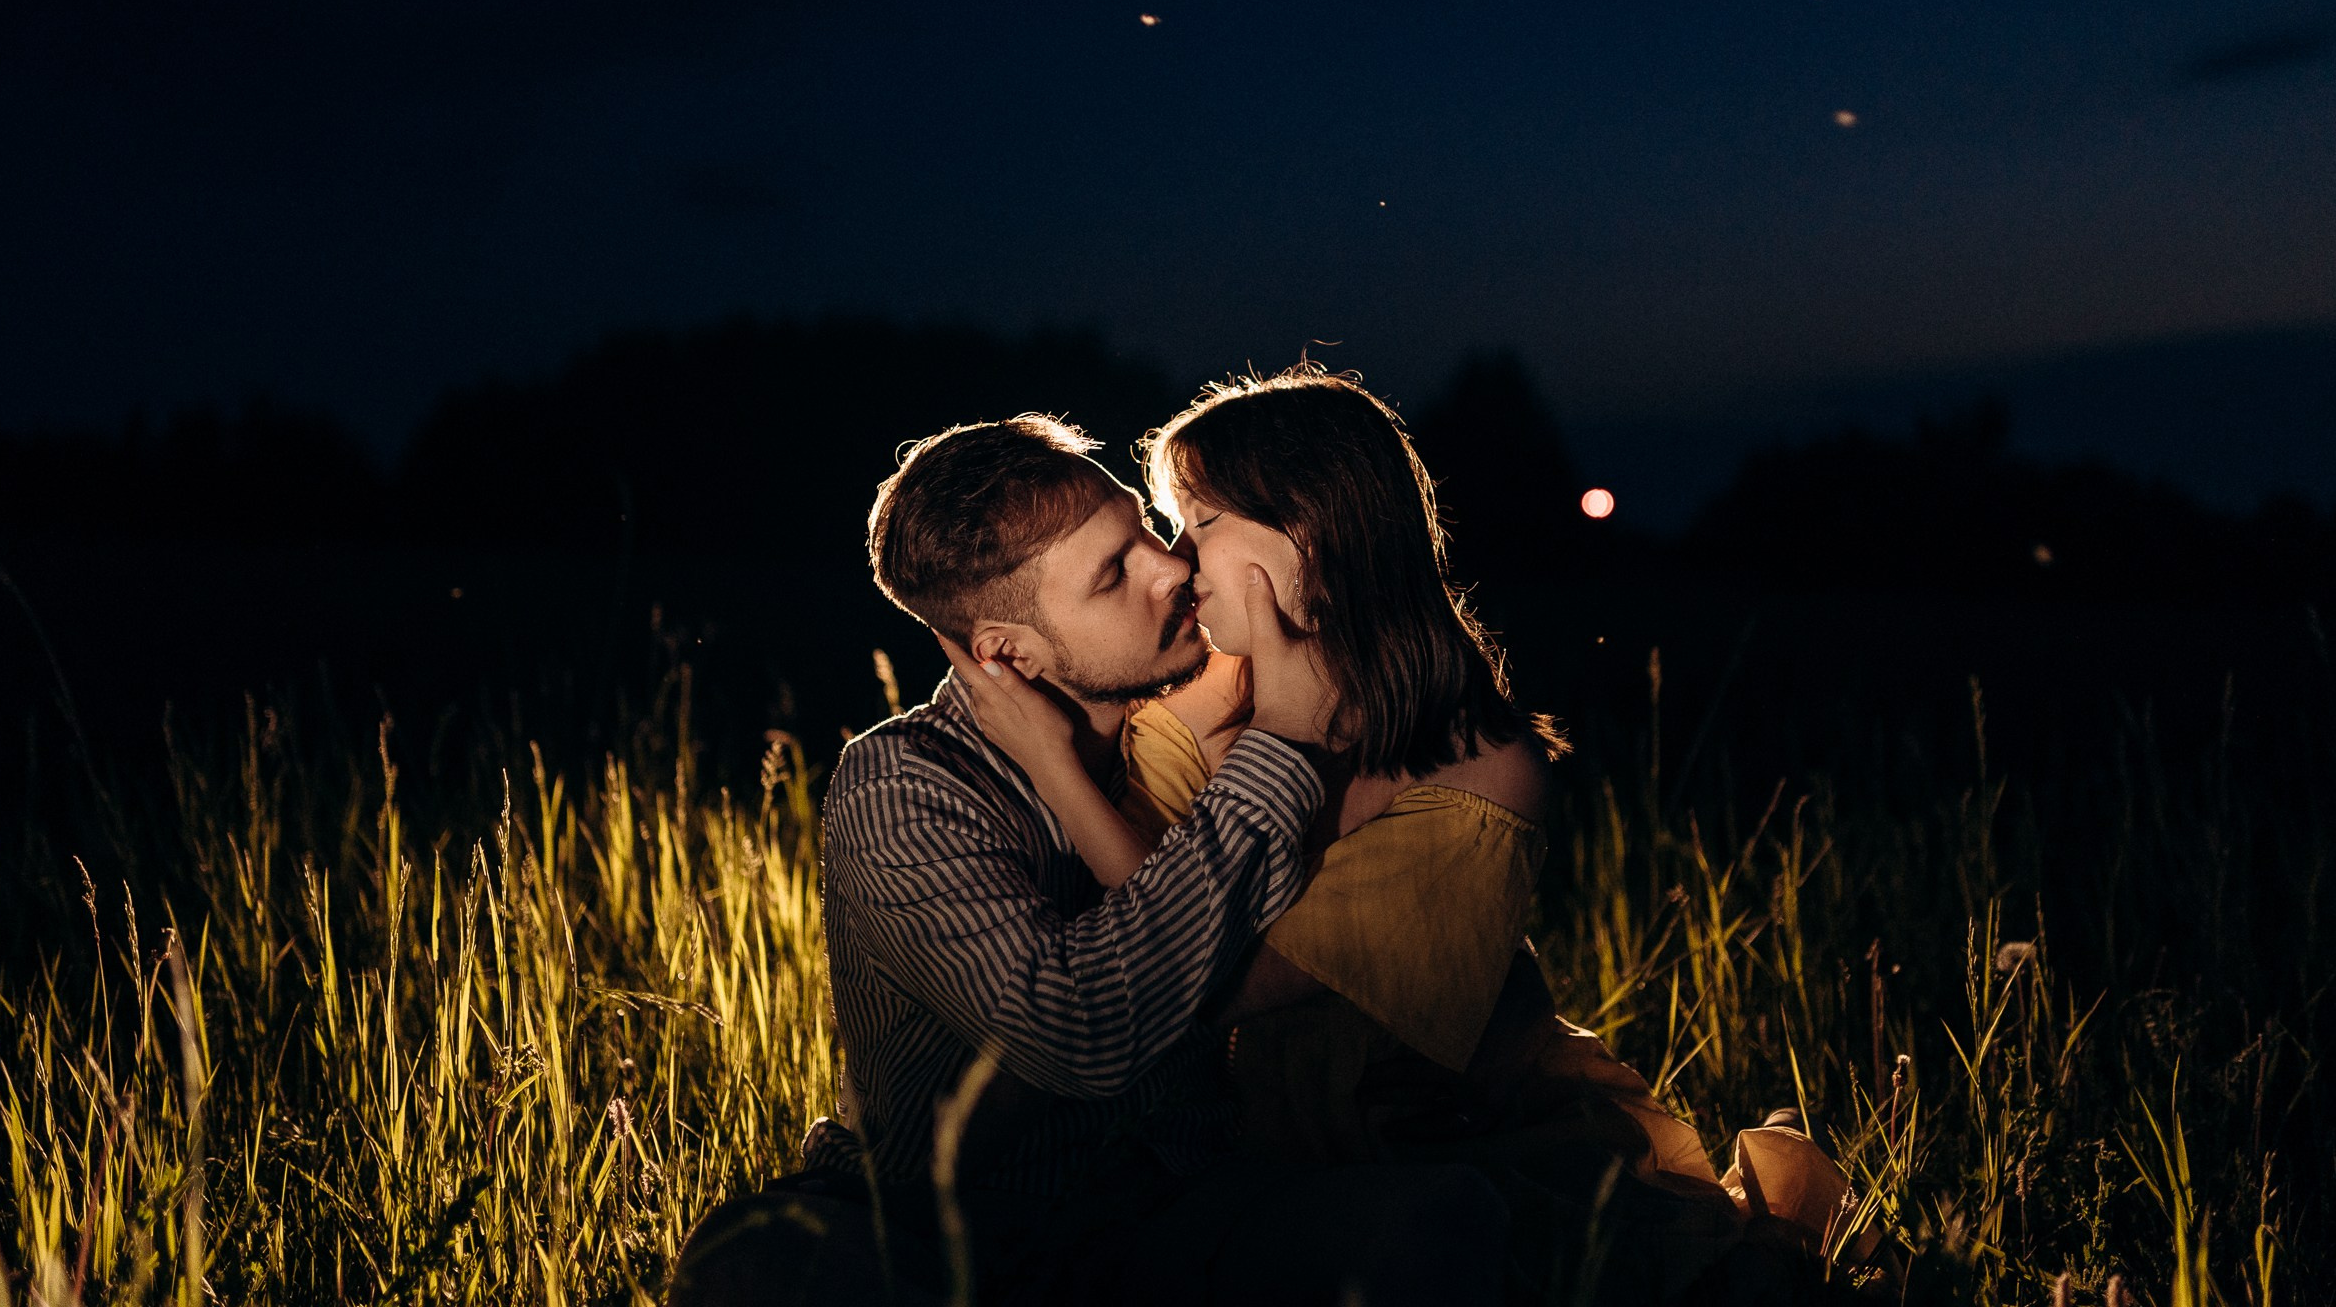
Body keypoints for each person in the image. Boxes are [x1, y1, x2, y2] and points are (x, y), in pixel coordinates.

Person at [944, 369, 1861, 1303]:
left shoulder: (1484, 769)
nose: (1177, 562)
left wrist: (1056, 767)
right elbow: (1146, 920)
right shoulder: (1206, 691)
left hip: (1441, 1128)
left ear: (1309, 527)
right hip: (1238, 1139)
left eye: (1201, 522)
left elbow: (1222, 980)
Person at [670, 414, 1513, 1307]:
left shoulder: (1205, 710)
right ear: (1009, 650)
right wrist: (1281, 746)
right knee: (758, 1265)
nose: (1172, 565)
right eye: (1115, 574)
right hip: (943, 1220)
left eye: (1142, 529)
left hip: (1173, 1211)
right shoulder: (904, 783)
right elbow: (1079, 1032)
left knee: (1440, 1218)